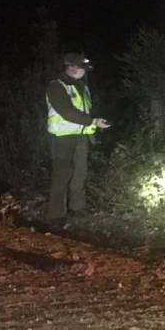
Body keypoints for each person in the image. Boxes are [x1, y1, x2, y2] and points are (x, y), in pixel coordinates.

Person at [45, 52, 111, 226]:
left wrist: (93, 131)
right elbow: (66, 112)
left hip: (81, 137)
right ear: (73, 68)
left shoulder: (82, 87)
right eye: (84, 68)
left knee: (80, 173)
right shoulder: (56, 86)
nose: (85, 72)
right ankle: (56, 216)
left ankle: (77, 208)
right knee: (61, 175)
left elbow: (86, 112)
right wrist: (93, 121)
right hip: (62, 138)